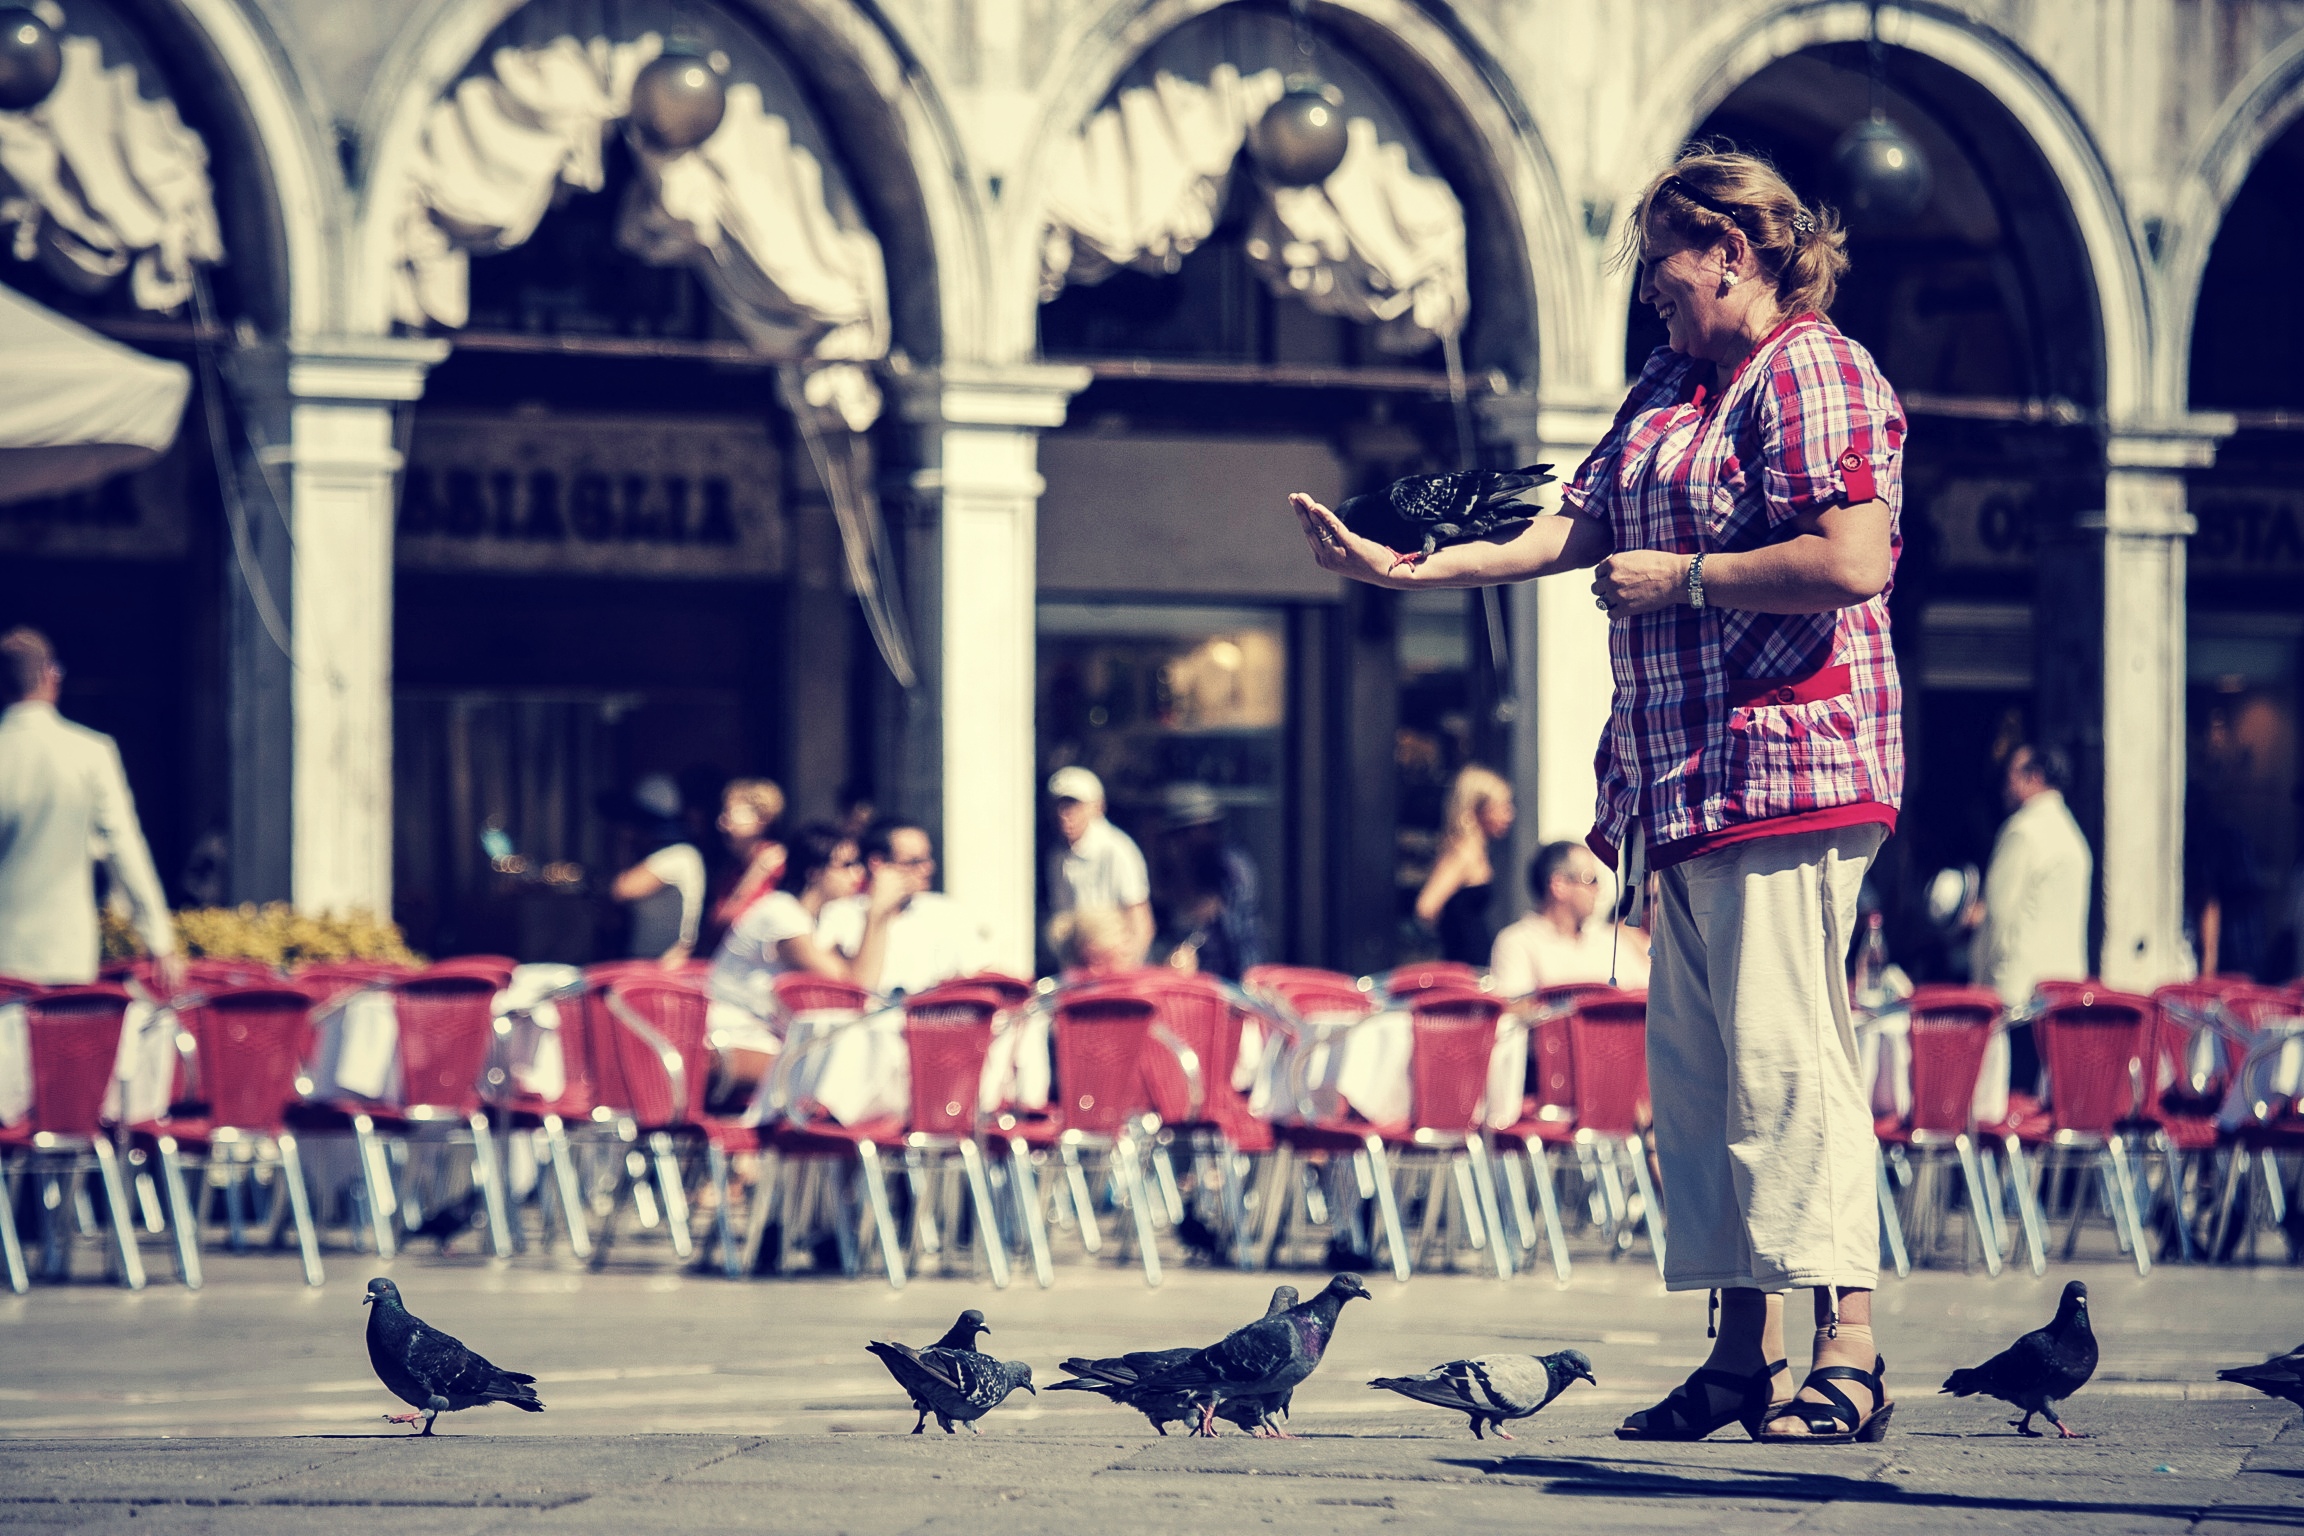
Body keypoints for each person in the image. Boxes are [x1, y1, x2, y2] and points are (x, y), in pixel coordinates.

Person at [1293, 147, 1903, 1443]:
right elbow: (1578, 521)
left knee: (1791, 1065)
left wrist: (1684, 580)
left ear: (1729, 251)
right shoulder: (1676, 381)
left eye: (1660, 269)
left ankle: (1849, 1348)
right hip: (1680, 783)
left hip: (1787, 771)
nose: (1649, 297)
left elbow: (1852, 559)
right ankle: (1744, 1354)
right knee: (1705, 1081)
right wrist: (1417, 568)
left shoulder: (1816, 368)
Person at [0, 627, 181, 989]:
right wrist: (158, 940)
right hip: (65, 957)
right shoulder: (91, 752)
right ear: (50, 676)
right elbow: (124, 846)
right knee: (58, 1048)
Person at [706, 823, 902, 1023]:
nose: (859, 873)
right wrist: (876, 913)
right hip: (734, 1032)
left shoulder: (816, 917)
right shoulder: (781, 913)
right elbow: (853, 987)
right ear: (814, 871)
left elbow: (862, 986)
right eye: (847, 865)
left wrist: (882, 916)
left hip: (762, 1029)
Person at [1970, 742, 2092, 1006]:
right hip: (2064, 993)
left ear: (2034, 777)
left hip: (2020, 996)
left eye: (2011, 775)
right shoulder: (2073, 836)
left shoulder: (2022, 831)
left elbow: (1999, 918)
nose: (2005, 785)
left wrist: (1980, 986)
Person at [817, 817, 993, 996]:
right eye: (914, 862)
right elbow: (858, 988)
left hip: (935, 1020)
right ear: (878, 864)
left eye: (928, 859)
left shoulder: (945, 911)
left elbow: (982, 973)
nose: (928, 868)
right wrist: (877, 914)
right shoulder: (840, 915)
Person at [1491, 841, 1647, 994]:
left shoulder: (1608, 940)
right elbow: (1514, 1013)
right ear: (1560, 885)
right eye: (1591, 879)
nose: (1598, 889)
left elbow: (1647, 994)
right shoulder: (1517, 943)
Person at [1045, 766, 1152, 967]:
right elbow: (1063, 921)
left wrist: (1126, 973)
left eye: (1073, 805)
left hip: (1115, 967)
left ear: (1097, 807)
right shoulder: (1057, 856)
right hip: (1081, 967)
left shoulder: (1118, 850)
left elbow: (1141, 924)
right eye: (1059, 806)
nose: (1064, 814)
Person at [1157, 783, 1263, 980]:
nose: (1182, 840)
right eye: (1177, 834)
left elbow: (1240, 931)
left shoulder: (1231, 865)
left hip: (1230, 978)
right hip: (1187, 979)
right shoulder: (1174, 863)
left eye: (1187, 831)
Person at [1413, 765, 1515, 967]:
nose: (1509, 815)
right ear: (1476, 809)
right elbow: (1426, 907)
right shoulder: (1462, 854)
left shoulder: (1477, 851)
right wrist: (1454, 935)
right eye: (1501, 807)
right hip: (1463, 963)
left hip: (1475, 959)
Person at [606, 773, 706, 964]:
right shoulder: (672, 854)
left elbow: (621, 889)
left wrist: (624, 843)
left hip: (661, 962)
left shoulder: (679, 855)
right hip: (648, 960)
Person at [706, 778, 787, 944]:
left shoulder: (777, 864)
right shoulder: (736, 867)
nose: (721, 823)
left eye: (730, 813)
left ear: (762, 818)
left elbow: (730, 923)